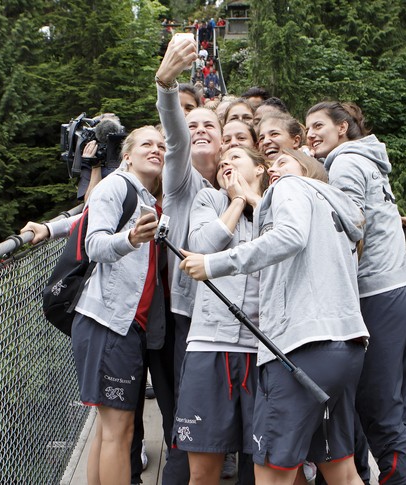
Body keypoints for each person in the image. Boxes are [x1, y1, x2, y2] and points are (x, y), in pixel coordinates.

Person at [180, 148, 370, 485]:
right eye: (271, 166)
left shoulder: (289, 188)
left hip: (300, 350)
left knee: (271, 473)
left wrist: (212, 264)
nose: (274, 169)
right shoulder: (335, 207)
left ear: (307, 170)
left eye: (283, 161)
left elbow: (289, 237)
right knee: (341, 470)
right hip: (347, 347)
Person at [306, 102, 406, 485]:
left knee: (377, 408)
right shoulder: (367, 158)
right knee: (398, 405)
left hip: (378, 295)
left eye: (318, 126)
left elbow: (351, 224)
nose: (311, 134)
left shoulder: (345, 163)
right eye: (307, 128)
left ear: (343, 128)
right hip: (403, 290)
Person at [71, 125, 165, 485]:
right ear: (127, 155)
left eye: (160, 145)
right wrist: (129, 239)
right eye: (146, 144)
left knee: (109, 428)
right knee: (119, 431)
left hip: (124, 324)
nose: (155, 149)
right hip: (109, 322)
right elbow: (94, 244)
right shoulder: (115, 187)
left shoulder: (145, 196)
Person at [174, 146, 269, 484]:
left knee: (267, 469)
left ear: (260, 169)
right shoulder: (210, 200)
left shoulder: (278, 202)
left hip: (265, 349)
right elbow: (200, 248)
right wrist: (236, 201)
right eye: (222, 161)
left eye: (236, 158)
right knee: (202, 472)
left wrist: (253, 200)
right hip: (209, 343)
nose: (226, 164)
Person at [155, 33, 223, 485]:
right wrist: (166, 85)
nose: (197, 131)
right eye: (191, 123)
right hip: (188, 317)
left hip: (240, 321)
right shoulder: (181, 183)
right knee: (188, 418)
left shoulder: (239, 188)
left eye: (208, 127)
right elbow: (176, 141)